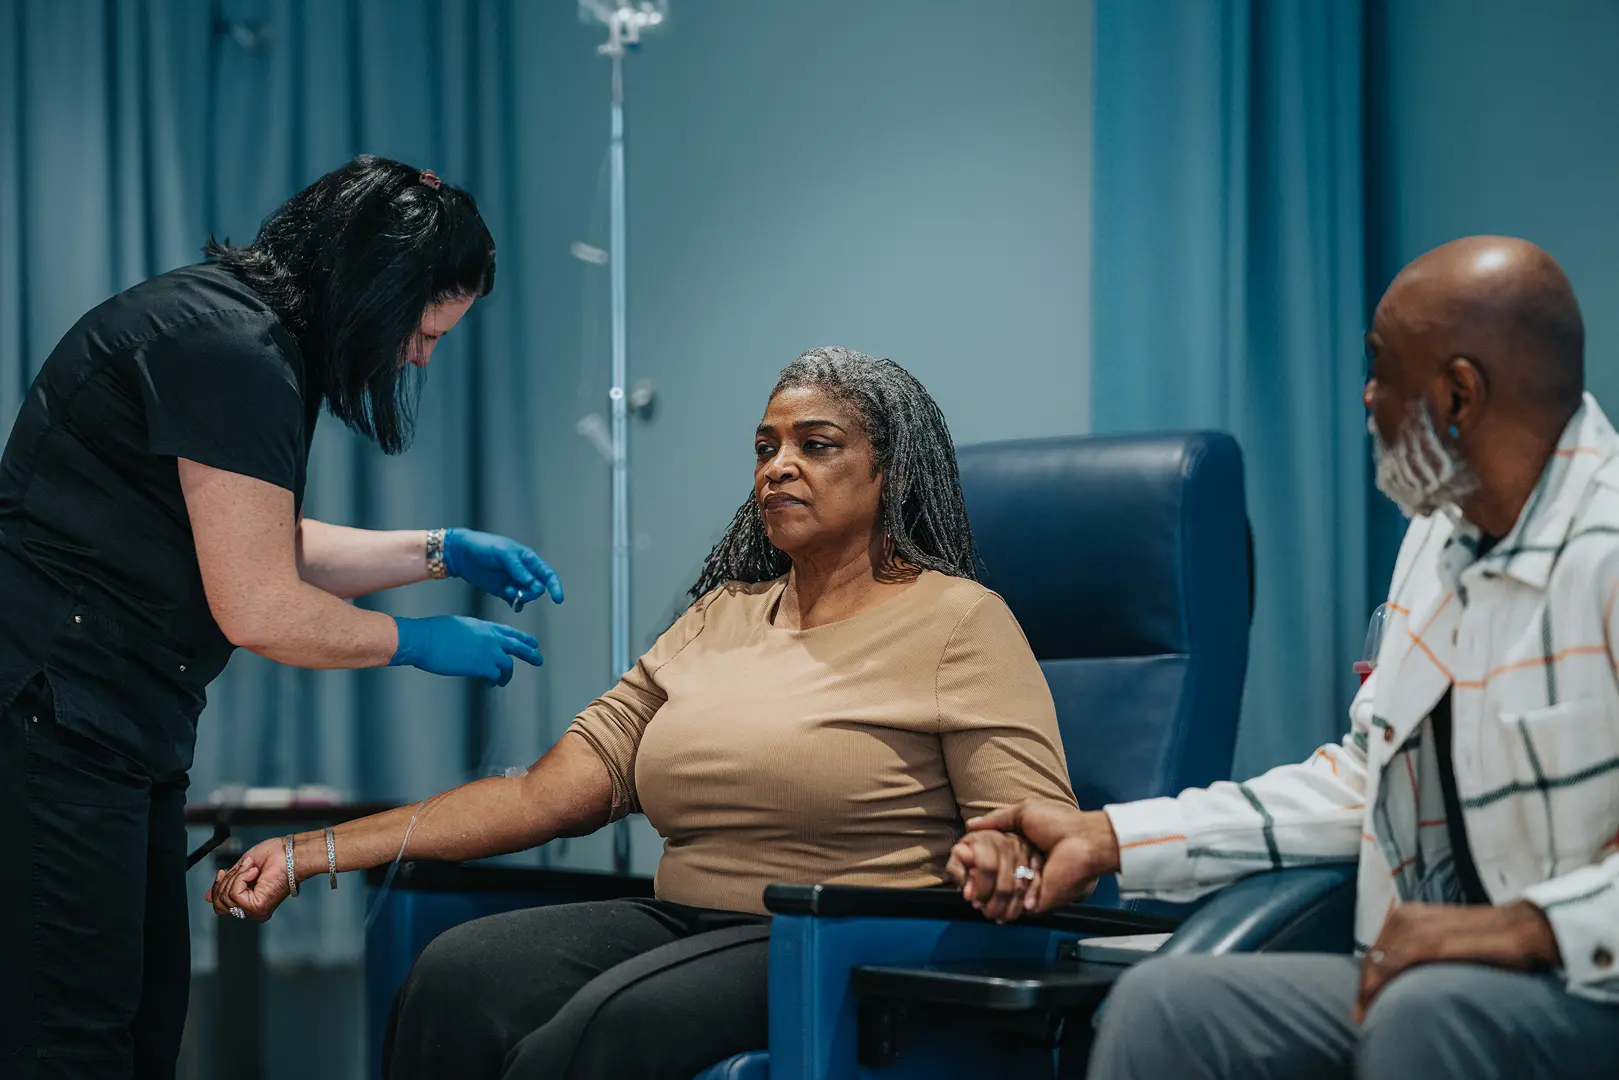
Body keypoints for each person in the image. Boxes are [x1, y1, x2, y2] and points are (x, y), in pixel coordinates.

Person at [205, 346, 1076, 1079]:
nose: (778, 466)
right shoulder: (717, 615)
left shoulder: (958, 619)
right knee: (456, 976)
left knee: (596, 1033)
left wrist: (1004, 847)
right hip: (687, 918)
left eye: (816, 445)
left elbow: (1039, 830)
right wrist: (311, 852)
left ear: (892, 472)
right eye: (765, 446)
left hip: (841, 938)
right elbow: (544, 797)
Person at [955, 236, 1619, 1079]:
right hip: (1429, 992)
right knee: (1165, 1010)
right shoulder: (1436, 538)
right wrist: (1108, 836)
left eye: (1381, 370)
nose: (1367, 397)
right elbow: (1360, 783)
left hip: (1585, 991)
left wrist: (1523, 927)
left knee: (1428, 1010)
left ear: (1457, 393)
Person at [0, 155, 565, 1079]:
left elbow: (259, 541)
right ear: (375, 286)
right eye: (423, 331)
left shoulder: (244, 333)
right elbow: (260, 603)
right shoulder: (229, 345)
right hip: (52, 719)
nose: (420, 356)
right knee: (72, 1034)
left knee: (138, 1023)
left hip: (112, 724)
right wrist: (417, 644)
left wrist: (438, 550)